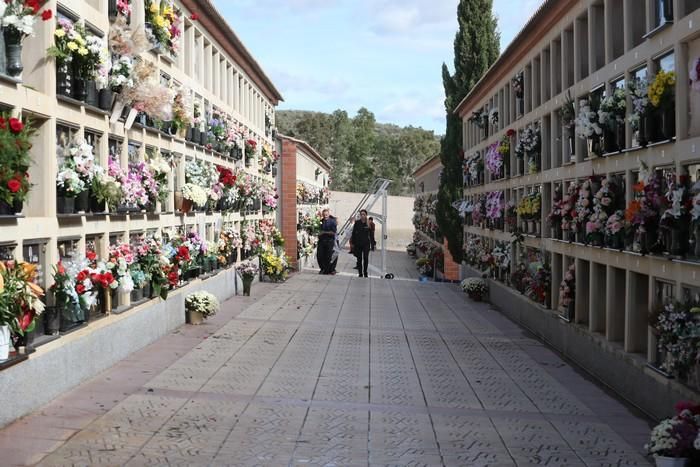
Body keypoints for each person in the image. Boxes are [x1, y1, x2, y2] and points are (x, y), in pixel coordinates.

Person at [351, 209, 372, 278]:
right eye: (361, 214)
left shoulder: (368, 223)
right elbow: (354, 233)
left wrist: (373, 244)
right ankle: (360, 273)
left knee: (366, 258)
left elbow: (371, 234)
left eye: (364, 214)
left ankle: (365, 272)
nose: (362, 216)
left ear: (366, 215)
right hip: (358, 243)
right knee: (359, 259)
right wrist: (353, 243)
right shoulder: (357, 223)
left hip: (366, 244)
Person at [316, 209, 337, 274]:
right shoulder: (320, 221)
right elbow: (318, 230)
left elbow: (333, 232)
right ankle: (323, 269)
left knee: (330, 256)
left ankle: (331, 269)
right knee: (319, 255)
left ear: (328, 214)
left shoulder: (332, 221)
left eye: (326, 215)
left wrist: (324, 232)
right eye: (324, 215)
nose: (325, 216)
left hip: (330, 241)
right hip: (322, 241)